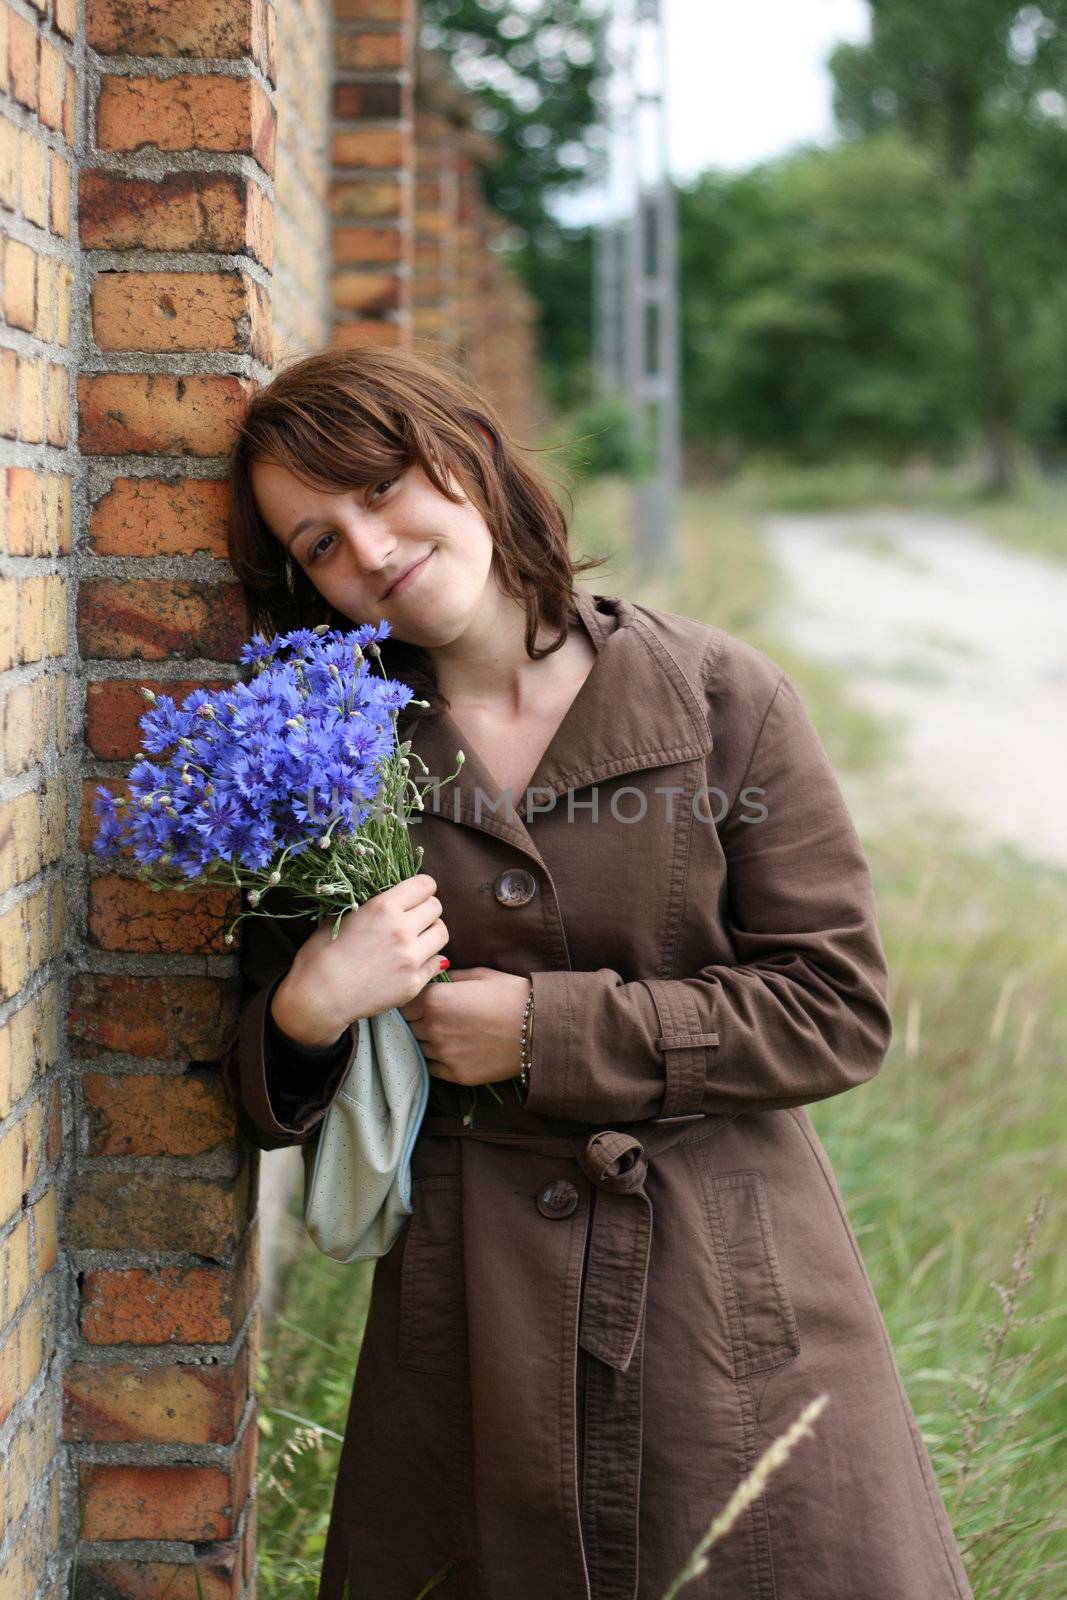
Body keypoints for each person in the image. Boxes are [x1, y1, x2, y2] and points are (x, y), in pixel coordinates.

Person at [223, 346, 975, 1600]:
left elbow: (834, 1010)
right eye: (317, 543)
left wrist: (541, 1032)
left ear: (465, 455)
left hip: (725, 1310)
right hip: (464, 1330)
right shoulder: (326, 756)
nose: (368, 547)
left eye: (383, 484)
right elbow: (253, 1091)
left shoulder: (719, 695)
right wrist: (307, 1007)